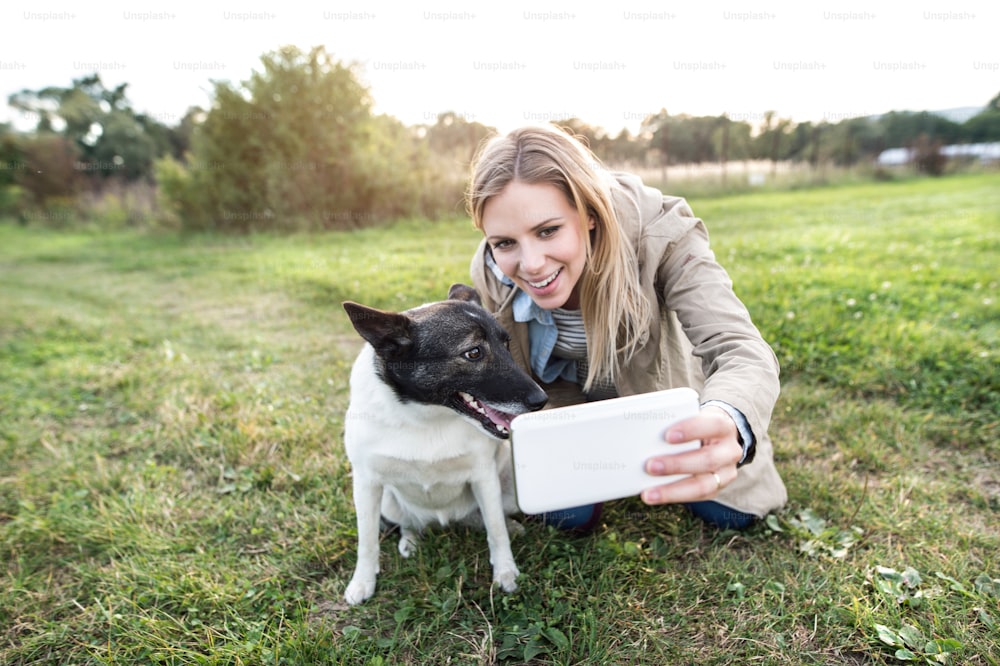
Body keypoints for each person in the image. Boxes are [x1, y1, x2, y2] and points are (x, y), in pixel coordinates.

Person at [465, 124, 787, 532]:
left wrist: (728, 416)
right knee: (564, 516)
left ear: (590, 216)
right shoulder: (492, 271)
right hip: (562, 402)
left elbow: (741, 348)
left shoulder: (664, 234)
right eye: (505, 242)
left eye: (548, 231)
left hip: (657, 392)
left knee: (732, 513)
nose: (530, 263)